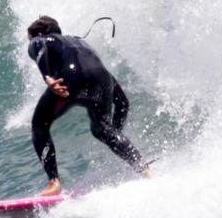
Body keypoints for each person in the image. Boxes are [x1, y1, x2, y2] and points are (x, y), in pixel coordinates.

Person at [27, 15, 147, 196]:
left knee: (39, 125)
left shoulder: (43, 39)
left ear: (41, 32)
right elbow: (123, 102)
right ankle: (142, 168)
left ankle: (54, 183)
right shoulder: (81, 44)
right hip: (102, 79)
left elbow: (38, 45)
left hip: (70, 81)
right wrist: (115, 133)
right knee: (102, 128)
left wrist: (48, 77)